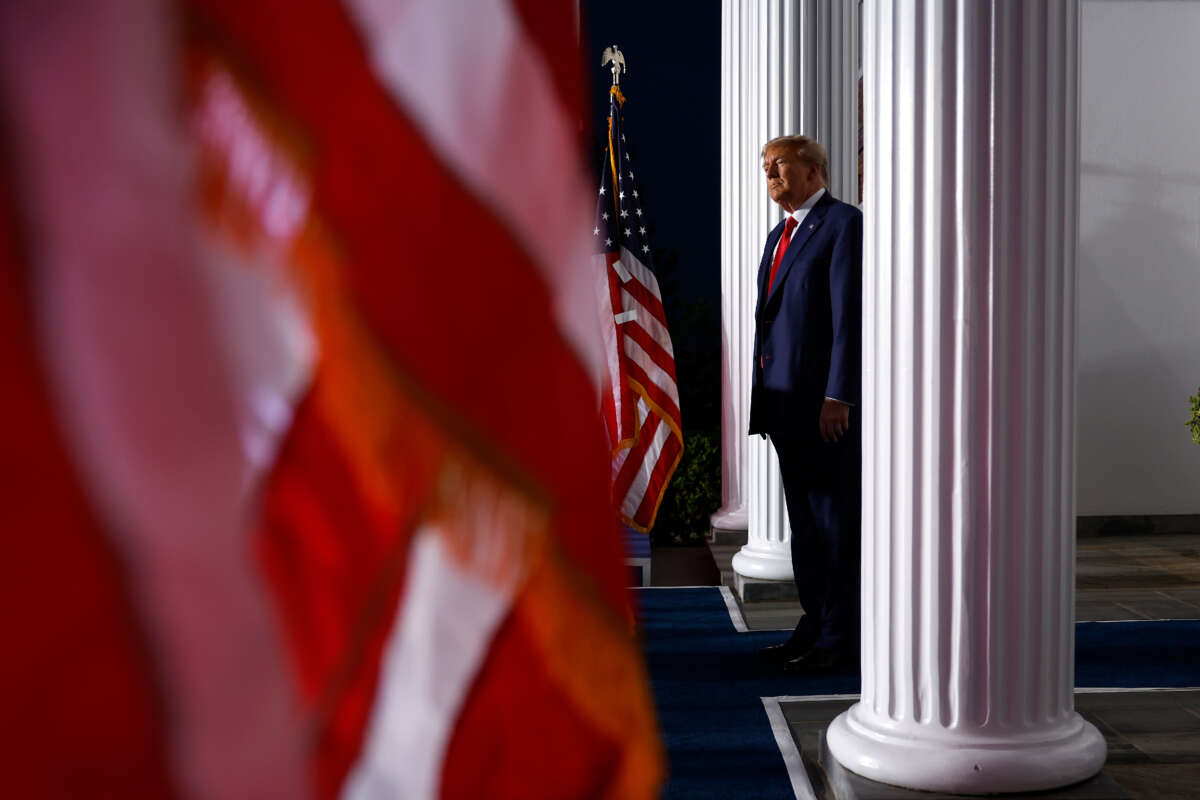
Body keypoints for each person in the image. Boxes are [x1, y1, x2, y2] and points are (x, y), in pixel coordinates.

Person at [749, 135, 862, 672]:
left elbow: (849, 318)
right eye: (766, 166)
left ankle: (842, 638)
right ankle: (815, 623)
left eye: (780, 164)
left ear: (814, 170)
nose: (770, 172)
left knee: (835, 525)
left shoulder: (842, 225)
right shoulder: (778, 235)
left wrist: (839, 394)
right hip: (786, 410)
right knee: (805, 528)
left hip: (825, 411)